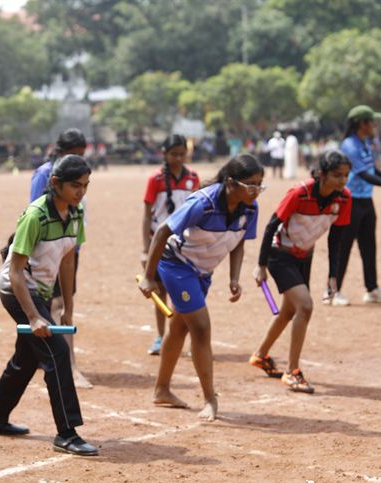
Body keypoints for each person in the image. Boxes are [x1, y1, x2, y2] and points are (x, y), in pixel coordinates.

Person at [0, 155, 98, 456]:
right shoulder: (36, 216)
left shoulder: (76, 213)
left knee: (27, 357)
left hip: (41, 292)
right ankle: (67, 433)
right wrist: (33, 316)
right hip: (16, 290)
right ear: (55, 183)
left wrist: (67, 306)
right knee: (57, 352)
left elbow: (67, 260)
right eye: (76, 185)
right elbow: (16, 271)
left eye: (86, 185)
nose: (81, 191)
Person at [139, 154, 264, 421]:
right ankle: (210, 399)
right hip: (177, 265)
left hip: (202, 272)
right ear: (231, 182)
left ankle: (161, 390)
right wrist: (149, 276)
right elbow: (162, 232)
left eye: (259, 184)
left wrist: (234, 278)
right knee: (201, 328)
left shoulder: (249, 209)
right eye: (250, 184)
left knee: (179, 328)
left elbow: (239, 242)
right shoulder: (203, 203)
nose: (255, 190)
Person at [249, 151, 352, 393]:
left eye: (346, 175)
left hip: (305, 255)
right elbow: (272, 225)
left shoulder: (344, 199)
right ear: (322, 174)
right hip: (279, 254)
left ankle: (260, 355)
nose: (343, 180)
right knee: (305, 306)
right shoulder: (300, 192)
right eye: (337, 175)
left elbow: (336, 240)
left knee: (289, 310)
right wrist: (261, 265)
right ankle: (292, 371)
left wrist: (333, 277)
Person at [326, 105, 381, 306]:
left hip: (366, 200)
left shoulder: (365, 143)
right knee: (343, 247)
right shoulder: (350, 145)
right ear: (362, 123)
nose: (374, 125)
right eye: (372, 122)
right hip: (350, 200)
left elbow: (373, 170)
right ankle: (333, 291)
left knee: (369, 246)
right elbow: (363, 174)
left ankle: (372, 289)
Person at [28, 129, 91, 388]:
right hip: (49, 249)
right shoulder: (44, 174)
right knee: (55, 304)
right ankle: (69, 365)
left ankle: (54, 359)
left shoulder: (78, 178)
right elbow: (36, 211)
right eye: (74, 154)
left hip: (68, 247)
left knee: (63, 301)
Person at [141, 135, 200, 355]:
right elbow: (147, 215)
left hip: (184, 243)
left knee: (184, 291)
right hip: (159, 242)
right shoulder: (155, 179)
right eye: (173, 154)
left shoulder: (193, 177)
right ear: (164, 154)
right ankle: (160, 336)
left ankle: (188, 337)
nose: (178, 158)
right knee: (159, 290)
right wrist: (146, 249)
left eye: (182, 154)